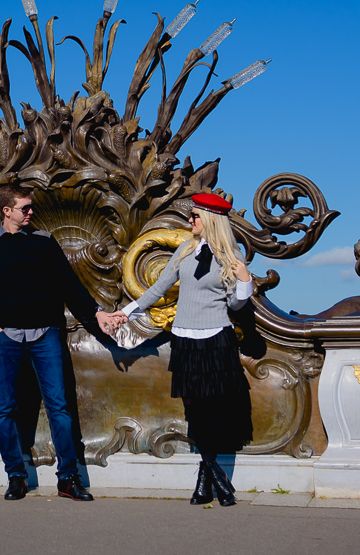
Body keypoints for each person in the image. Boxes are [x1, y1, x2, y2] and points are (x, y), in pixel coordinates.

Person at [0, 184, 118, 502]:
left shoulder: (43, 242)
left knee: (59, 408)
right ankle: (16, 477)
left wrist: (97, 314)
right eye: (24, 208)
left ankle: (67, 479)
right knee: (6, 410)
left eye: (30, 207)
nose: (30, 212)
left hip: (46, 335)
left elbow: (69, 284)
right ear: (6, 210)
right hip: (8, 338)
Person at [109, 193, 253, 507]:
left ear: (211, 220)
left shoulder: (232, 255)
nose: (190, 222)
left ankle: (206, 477)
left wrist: (245, 283)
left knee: (214, 410)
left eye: (195, 217)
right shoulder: (185, 250)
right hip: (185, 338)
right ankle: (214, 475)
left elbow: (235, 303)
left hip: (216, 338)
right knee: (195, 409)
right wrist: (127, 312)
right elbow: (159, 288)